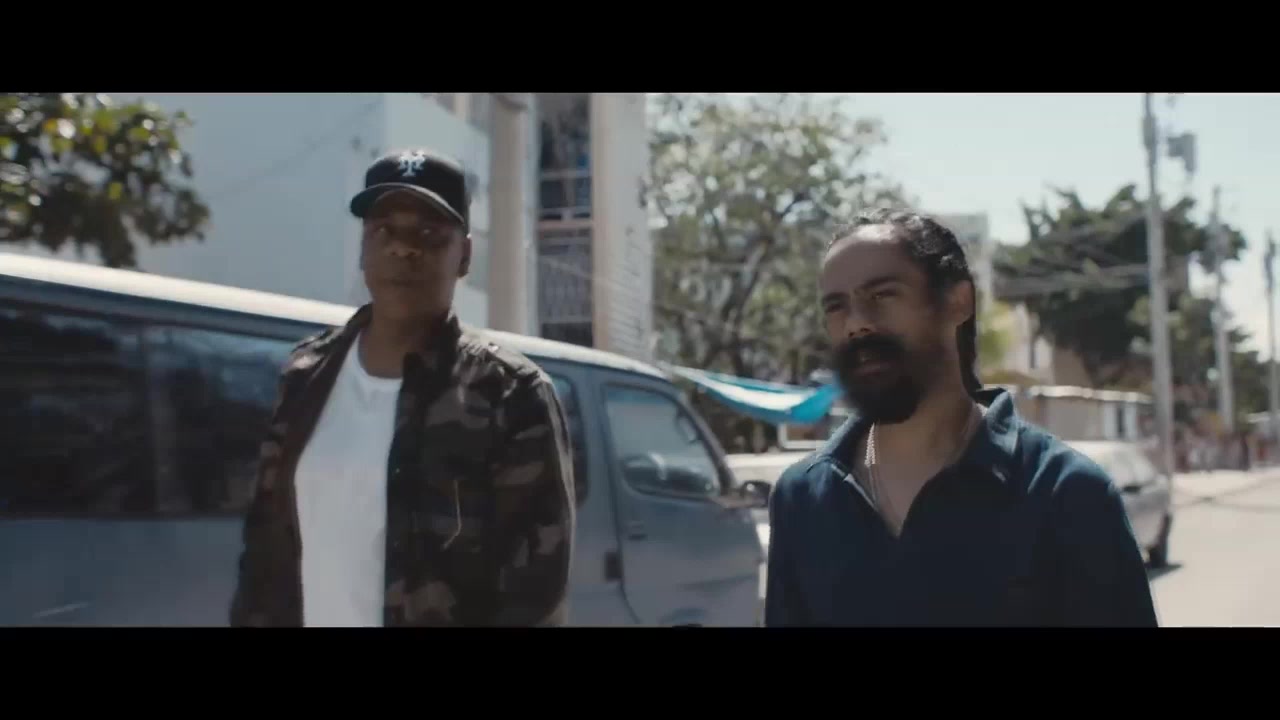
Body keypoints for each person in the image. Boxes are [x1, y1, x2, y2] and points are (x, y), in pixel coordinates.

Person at [229, 148, 576, 627]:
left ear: (464, 255)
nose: (403, 248)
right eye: (383, 230)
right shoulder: (306, 375)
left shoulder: (510, 395)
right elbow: (264, 556)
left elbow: (535, 599)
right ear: (363, 248)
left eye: (429, 234)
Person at [764, 209, 1158, 627]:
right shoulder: (802, 500)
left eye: (882, 295)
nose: (856, 323)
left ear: (958, 301)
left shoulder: (1066, 494)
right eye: (837, 307)